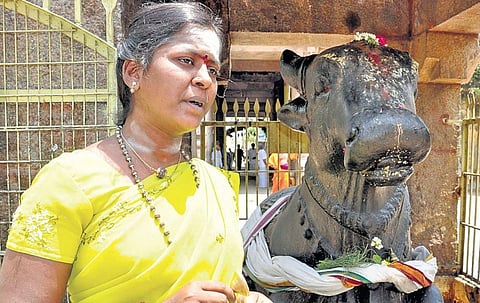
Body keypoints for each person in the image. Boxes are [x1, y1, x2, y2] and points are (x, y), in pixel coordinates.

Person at [0, 3, 271, 303]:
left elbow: (233, 289)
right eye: (186, 60)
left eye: (212, 69)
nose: (205, 80)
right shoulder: (69, 182)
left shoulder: (216, 185)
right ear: (133, 72)